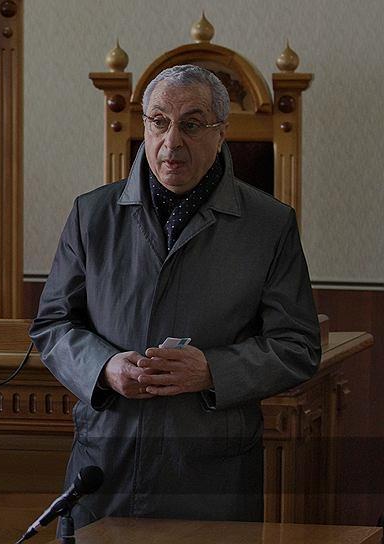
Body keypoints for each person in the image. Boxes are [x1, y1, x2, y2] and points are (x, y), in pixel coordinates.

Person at [29, 64, 321, 527]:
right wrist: (104, 367)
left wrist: (213, 371)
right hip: (107, 463)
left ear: (221, 133)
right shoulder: (92, 214)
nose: (172, 142)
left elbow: (297, 346)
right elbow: (52, 325)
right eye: (159, 122)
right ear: (144, 126)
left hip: (211, 474)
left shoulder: (269, 224)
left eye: (192, 124)